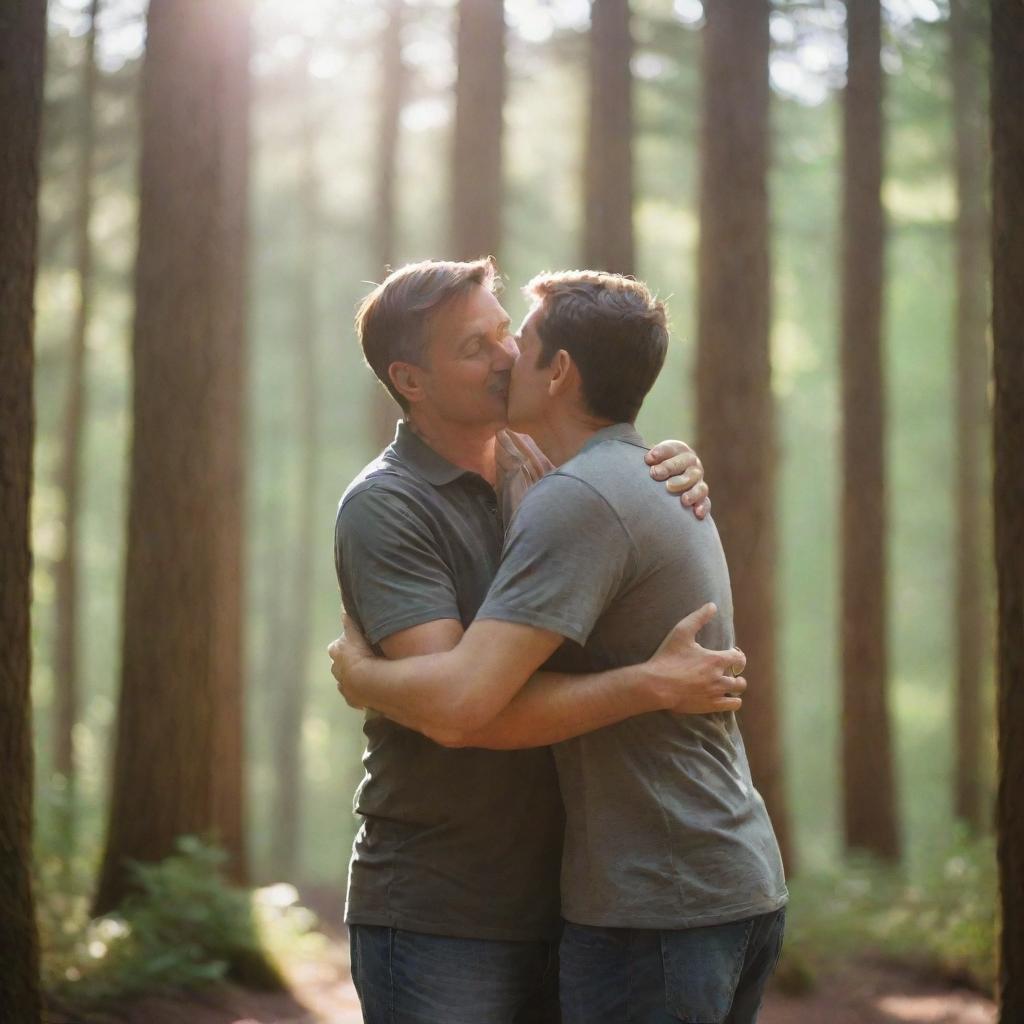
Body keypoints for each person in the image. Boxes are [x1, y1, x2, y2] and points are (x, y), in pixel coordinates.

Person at [334, 270, 787, 1023]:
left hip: (584, 894)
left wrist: (362, 676)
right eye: (476, 347)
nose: (509, 356)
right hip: (446, 906)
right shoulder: (388, 506)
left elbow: (612, 490)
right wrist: (650, 682)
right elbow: (458, 711)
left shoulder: (551, 471)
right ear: (409, 379)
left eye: (508, 332)